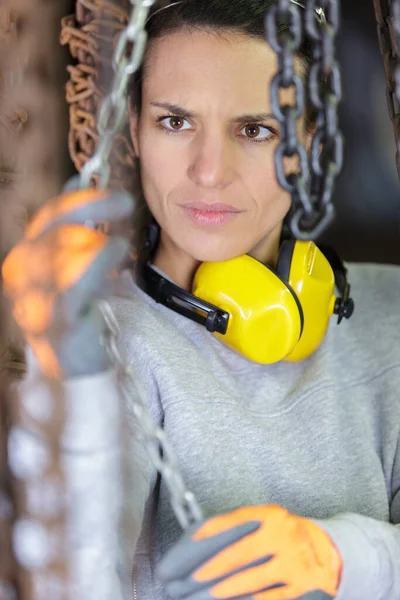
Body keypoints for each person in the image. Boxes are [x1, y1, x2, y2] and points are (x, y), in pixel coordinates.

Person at [2, 0, 400, 599]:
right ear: (133, 124)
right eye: (175, 122)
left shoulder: (392, 314)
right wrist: (73, 387)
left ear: (311, 139)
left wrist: (343, 559)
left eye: (255, 129)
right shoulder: (98, 339)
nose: (210, 171)